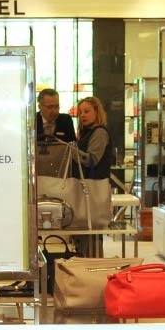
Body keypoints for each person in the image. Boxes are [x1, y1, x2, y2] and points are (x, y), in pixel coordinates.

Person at [73, 95, 113, 256]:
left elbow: (91, 160)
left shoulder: (99, 133)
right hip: (86, 189)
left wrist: (70, 151)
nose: (83, 115)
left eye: (87, 111)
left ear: (97, 112)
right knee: (85, 234)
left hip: (94, 189)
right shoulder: (86, 133)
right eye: (80, 112)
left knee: (92, 234)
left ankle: (92, 269)